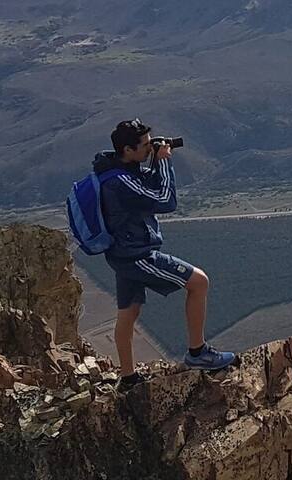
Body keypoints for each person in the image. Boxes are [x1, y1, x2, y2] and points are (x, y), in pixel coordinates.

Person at [93, 119, 235, 381]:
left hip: (121, 253)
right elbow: (165, 200)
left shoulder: (116, 170)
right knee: (199, 282)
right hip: (136, 256)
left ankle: (128, 377)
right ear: (127, 149)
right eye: (145, 145)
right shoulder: (120, 182)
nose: (150, 148)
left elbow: (147, 185)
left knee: (129, 312)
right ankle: (197, 352)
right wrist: (165, 161)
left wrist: (156, 160)